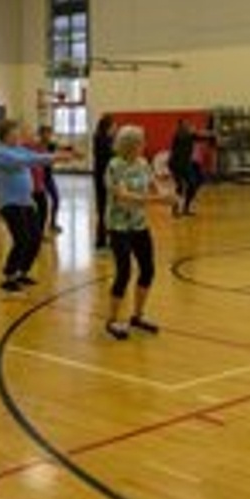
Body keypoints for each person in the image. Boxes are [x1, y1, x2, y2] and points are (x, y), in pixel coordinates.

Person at [104, 125, 171, 340]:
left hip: (139, 224)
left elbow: (153, 185)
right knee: (124, 271)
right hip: (119, 226)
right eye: (141, 142)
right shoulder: (115, 166)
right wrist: (159, 200)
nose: (145, 145)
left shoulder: (143, 164)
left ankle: (137, 316)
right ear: (131, 145)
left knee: (148, 270)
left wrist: (166, 193)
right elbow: (123, 197)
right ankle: (113, 320)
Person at [0, 120, 65, 292]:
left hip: (26, 202)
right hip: (10, 204)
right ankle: (9, 275)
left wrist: (60, 155)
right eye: (14, 133)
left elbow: (35, 158)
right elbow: (29, 160)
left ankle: (22, 272)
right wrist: (55, 157)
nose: (17, 136)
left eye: (18, 133)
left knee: (35, 237)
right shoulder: (0, 153)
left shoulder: (19, 149)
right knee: (22, 239)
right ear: (5, 135)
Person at [168, 119, 213, 217]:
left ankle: (186, 208)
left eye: (189, 125)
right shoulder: (179, 135)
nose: (190, 126)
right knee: (179, 187)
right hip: (176, 165)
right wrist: (203, 133)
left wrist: (211, 134)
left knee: (193, 184)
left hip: (186, 164)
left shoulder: (190, 135)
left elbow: (200, 136)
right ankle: (175, 209)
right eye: (187, 125)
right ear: (181, 127)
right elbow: (194, 135)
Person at [92, 114, 116, 250]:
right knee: (104, 210)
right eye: (113, 126)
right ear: (108, 126)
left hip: (103, 176)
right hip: (102, 177)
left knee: (106, 210)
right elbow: (107, 157)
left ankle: (105, 240)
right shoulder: (101, 139)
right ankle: (101, 241)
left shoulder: (106, 139)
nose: (115, 128)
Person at [37, 125, 63, 234]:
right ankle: (39, 230)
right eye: (46, 133)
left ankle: (52, 223)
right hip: (39, 178)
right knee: (42, 206)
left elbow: (61, 149)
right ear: (41, 134)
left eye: (49, 133)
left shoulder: (51, 145)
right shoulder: (37, 146)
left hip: (48, 177)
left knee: (56, 199)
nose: (48, 135)